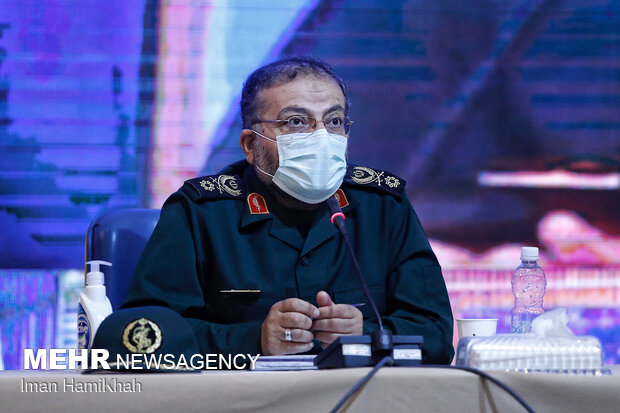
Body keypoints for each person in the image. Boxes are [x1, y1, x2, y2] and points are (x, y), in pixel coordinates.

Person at [123, 56, 454, 364]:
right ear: (251, 145)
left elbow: (436, 336)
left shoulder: (384, 207)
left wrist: (366, 336)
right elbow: (138, 339)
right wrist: (253, 340)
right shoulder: (201, 212)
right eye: (296, 122)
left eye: (334, 121)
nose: (321, 138)